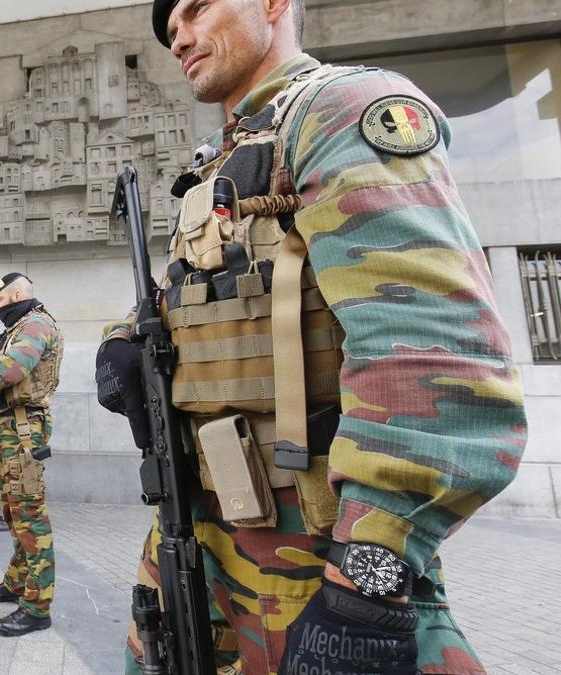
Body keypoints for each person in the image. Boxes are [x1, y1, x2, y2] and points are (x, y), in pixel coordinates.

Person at [98, 2, 528, 673]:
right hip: (203, 533)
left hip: (313, 557)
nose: (177, 34)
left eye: (196, 7)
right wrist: (126, 337)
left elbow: (431, 350)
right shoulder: (226, 158)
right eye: (168, 25)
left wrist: (365, 587)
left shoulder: (341, 111)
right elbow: (224, 293)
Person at [0, 272, 64, 637]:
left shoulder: (36, 324)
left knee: (30, 515)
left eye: (0, 301)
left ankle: (38, 608)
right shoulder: (18, 328)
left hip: (24, 431)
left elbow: (12, 368)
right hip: (10, 428)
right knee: (13, 510)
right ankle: (17, 582)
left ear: (19, 294)